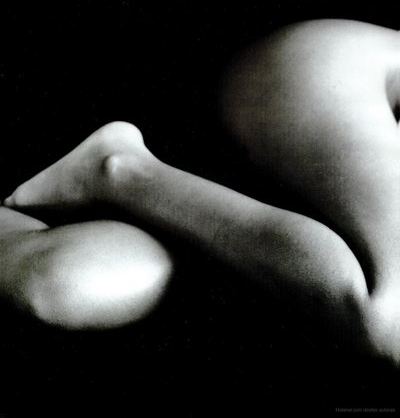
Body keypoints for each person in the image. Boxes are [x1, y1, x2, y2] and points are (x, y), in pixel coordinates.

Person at [1, 19, 400, 364]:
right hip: (340, 71)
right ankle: (122, 170)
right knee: (388, 318)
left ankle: (124, 173)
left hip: (322, 93)